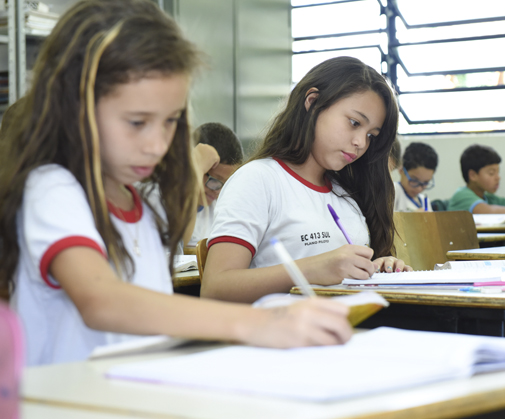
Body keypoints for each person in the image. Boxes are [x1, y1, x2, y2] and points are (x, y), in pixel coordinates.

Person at [0, 0, 351, 366]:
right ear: (74, 107)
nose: (157, 144)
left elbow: (150, 329)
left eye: (170, 121)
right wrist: (256, 322)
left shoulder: (140, 202)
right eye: (137, 122)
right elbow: (101, 301)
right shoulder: (52, 189)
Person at [202, 56, 412, 304]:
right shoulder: (258, 179)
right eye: (354, 123)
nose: (361, 143)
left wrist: (380, 267)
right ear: (312, 102)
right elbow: (215, 288)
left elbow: (345, 273)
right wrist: (312, 269)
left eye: (371, 135)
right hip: (282, 333)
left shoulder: (346, 195)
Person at [184, 123, 243, 248]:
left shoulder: (221, 211)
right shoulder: (159, 198)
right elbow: (179, 240)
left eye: (227, 184)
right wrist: (195, 171)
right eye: (214, 180)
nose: (218, 191)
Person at [394, 142, 437, 212]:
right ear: (401, 169)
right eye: (414, 180)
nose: (419, 188)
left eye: (425, 183)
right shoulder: (393, 192)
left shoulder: (424, 201)